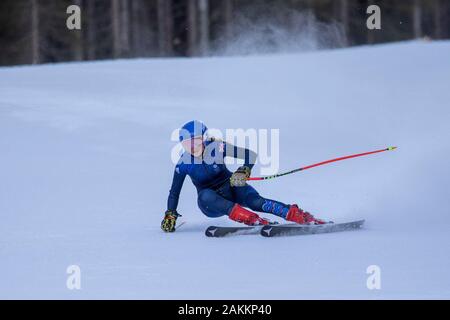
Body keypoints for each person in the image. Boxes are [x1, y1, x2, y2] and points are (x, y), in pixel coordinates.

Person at [161, 120, 325, 232]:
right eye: (186, 143)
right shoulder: (183, 163)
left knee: (256, 201)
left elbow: (250, 155)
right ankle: (252, 219)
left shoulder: (217, 147)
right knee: (205, 195)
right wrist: (170, 214)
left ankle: (299, 216)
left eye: (195, 141)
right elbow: (174, 192)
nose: (192, 146)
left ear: (204, 138)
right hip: (210, 204)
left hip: (231, 187)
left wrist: (243, 170)